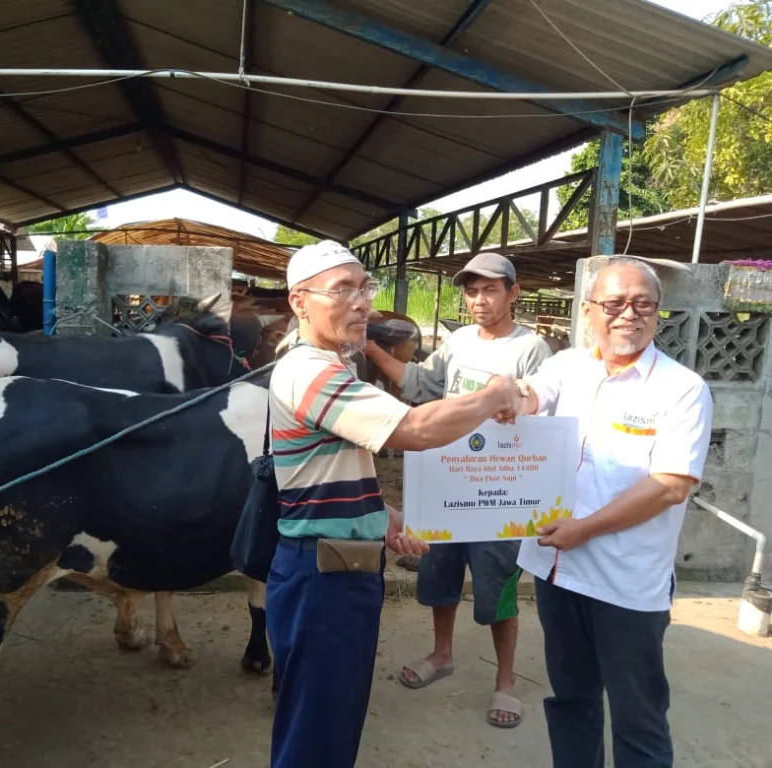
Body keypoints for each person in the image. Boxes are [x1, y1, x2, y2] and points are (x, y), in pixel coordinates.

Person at [266, 240, 524, 768]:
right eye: (342, 290)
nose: (362, 302)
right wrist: (494, 397)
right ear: (299, 302)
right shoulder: (311, 370)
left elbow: (335, 474)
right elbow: (415, 428)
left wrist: (388, 520)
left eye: (365, 288)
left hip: (338, 566)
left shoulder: (330, 364)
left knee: (332, 719)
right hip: (324, 576)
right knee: (317, 728)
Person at [512, 256, 713, 768]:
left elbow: (670, 486)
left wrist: (584, 529)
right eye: (615, 302)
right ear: (588, 311)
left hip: (626, 584)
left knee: (638, 715)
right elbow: (532, 395)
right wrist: (506, 399)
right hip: (557, 572)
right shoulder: (567, 366)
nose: (629, 314)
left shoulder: (682, 389)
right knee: (571, 699)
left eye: (643, 303)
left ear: (657, 312)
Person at [364, 252, 552, 728]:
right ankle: (442, 654)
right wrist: (370, 350)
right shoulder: (458, 342)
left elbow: (543, 419)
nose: (479, 300)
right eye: (471, 291)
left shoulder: (532, 350)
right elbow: (423, 386)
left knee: (499, 589)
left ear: (513, 293)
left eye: (490, 289)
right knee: (440, 576)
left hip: (500, 494)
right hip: (448, 484)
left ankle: (505, 682)